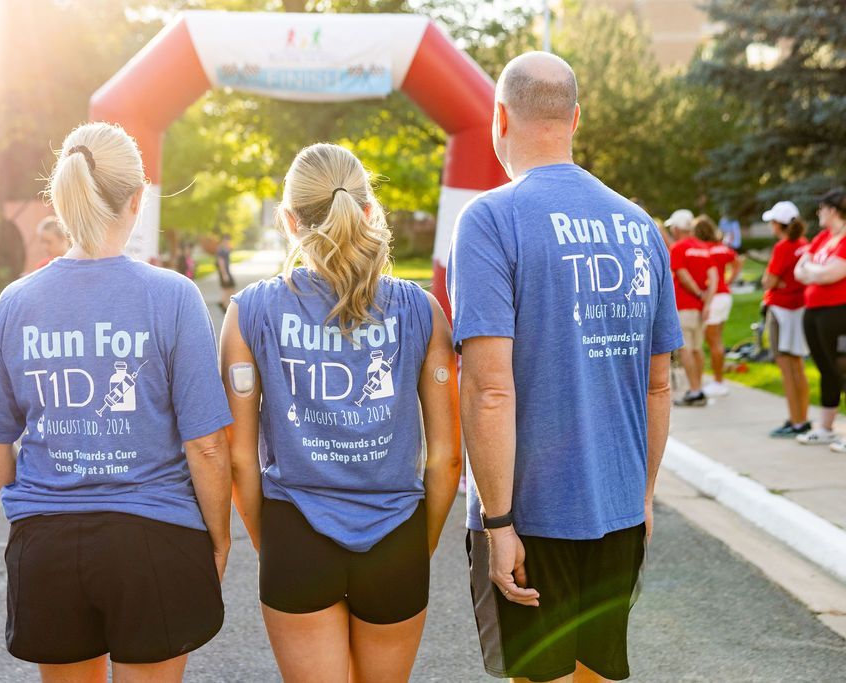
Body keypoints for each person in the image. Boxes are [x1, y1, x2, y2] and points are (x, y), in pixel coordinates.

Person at [448, 52, 682, 683]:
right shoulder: (640, 227)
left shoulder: (490, 220)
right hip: (618, 505)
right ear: (575, 119)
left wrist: (497, 522)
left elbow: (489, 388)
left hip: (529, 514)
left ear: (499, 117)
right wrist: (644, 496)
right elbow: (659, 384)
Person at [0, 122, 232, 682]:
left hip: (47, 541)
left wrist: (31, 499)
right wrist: (219, 536)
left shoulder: (17, 301)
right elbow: (207, 445)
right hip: (154, 535)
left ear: (62, 198)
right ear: (138, 200)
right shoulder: (173, 295)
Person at [221, 143, 461, 683]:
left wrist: (277, 544)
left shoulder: (249, 312)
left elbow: (237, 460)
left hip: (294, 532)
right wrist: (413, 552)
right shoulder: (422, 311)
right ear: (369, 212)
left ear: (288, 220)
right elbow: (446, 459)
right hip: (397, 537)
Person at [795, 188, 846, 451]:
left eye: (822, 208)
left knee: (843, 368)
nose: (818, 213)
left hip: (839, 311)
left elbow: (832, 274)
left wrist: (812, 271)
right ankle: (826, 428)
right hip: (814, 311)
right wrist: (816, 271)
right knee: (827, 369)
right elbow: (798, 270)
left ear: (833, 210)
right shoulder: (823, 237)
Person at [760, 201, 810, 437]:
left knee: (786, 366)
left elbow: (768, 281)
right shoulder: (804, 244)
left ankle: (795, 421)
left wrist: (777, 282)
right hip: (800, 309)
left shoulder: (783, 247)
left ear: (778, 224)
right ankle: (803, 419)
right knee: (797, 365)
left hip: (781, 310)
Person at [665, 209, 718, 407]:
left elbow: (682, 274)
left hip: (685, 305)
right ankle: (699, 388)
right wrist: (707, 301)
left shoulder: (678, 248)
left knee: (685, 349)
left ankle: (694, 390)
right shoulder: (703, 248)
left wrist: (697, 293)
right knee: (697, 349)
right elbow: (714, 278)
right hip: (700, 308)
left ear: (677, 228)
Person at [694, 214, 742, 397]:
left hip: (713, 297)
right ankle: (718, 380)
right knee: (717, 340)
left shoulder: (702, 249)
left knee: (713, 342)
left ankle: (718, 381)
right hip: (724, 296)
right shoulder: (722, 248)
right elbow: (737, 263)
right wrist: (729, 281)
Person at [216, 233, 235, 312]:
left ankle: (223, 304)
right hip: (224, 273)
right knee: (229, 288)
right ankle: (224, 304)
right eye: (226, 240)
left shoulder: (225, 249)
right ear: (223, 240)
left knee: (227, 289)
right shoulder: (221, 250)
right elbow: (221, 262)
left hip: (226, 272)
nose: (227, 241)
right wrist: (224, 274)